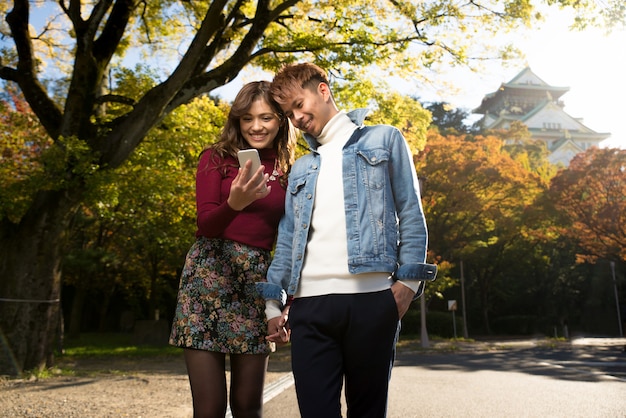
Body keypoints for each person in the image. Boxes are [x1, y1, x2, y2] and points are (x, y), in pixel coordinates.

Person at [258, 63, 437, 418]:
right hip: (309, 308)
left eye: (298, 104)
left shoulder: (385, 139)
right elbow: (289, 238)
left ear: (323, 90)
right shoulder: (302, 167)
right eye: (288, 113)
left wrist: (408, 285)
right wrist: (272, 306)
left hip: (372, 303)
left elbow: (412, 213)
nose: (295, 118)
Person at [169, 81, 295, 418]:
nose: (256, 126)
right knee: (209, 408)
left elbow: (293, 243)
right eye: (247, 118)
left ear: (281, 120)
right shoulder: (216, 158)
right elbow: (206, 225)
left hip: (257, 283)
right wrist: (235, 203)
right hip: (207, 276)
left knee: (247, 406)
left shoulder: (291, 172)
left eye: (266, 117)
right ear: (236, 121)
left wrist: (287, 304)